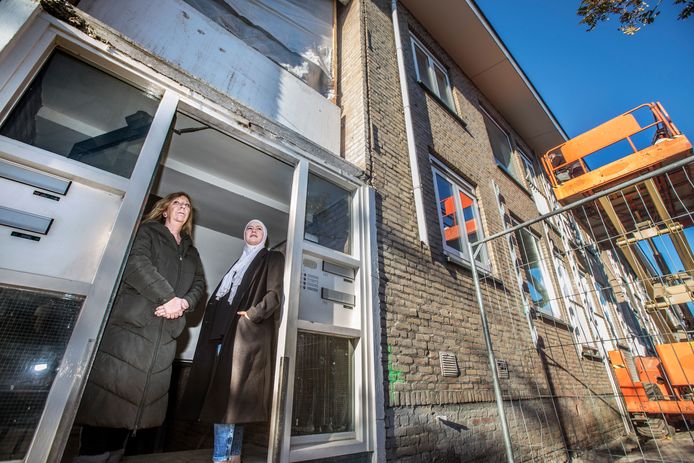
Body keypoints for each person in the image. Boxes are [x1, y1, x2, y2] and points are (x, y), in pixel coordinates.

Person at [74, 192, 206, 463]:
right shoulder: (148, 232)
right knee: (105, 411)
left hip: (163, 340)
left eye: (187, 205)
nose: (182, 207)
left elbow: (200, 285)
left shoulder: (191, 252)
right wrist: (167, 298)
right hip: (129, 330)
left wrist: (182, 305)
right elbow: (136, 264)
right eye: (177, 203)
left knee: (128, 421)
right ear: (165, 210)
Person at [180, 219, 285, 463]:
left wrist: (253, 314)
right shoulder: (238, 264)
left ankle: (221, 458)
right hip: (218, 336)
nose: (254, 231)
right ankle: (234, 456)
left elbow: (275, 294)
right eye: (249, 228)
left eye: (259, 228)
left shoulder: (272, 258)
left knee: (224, 400)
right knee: (232, 401)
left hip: (243, 337)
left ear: (265, 236)